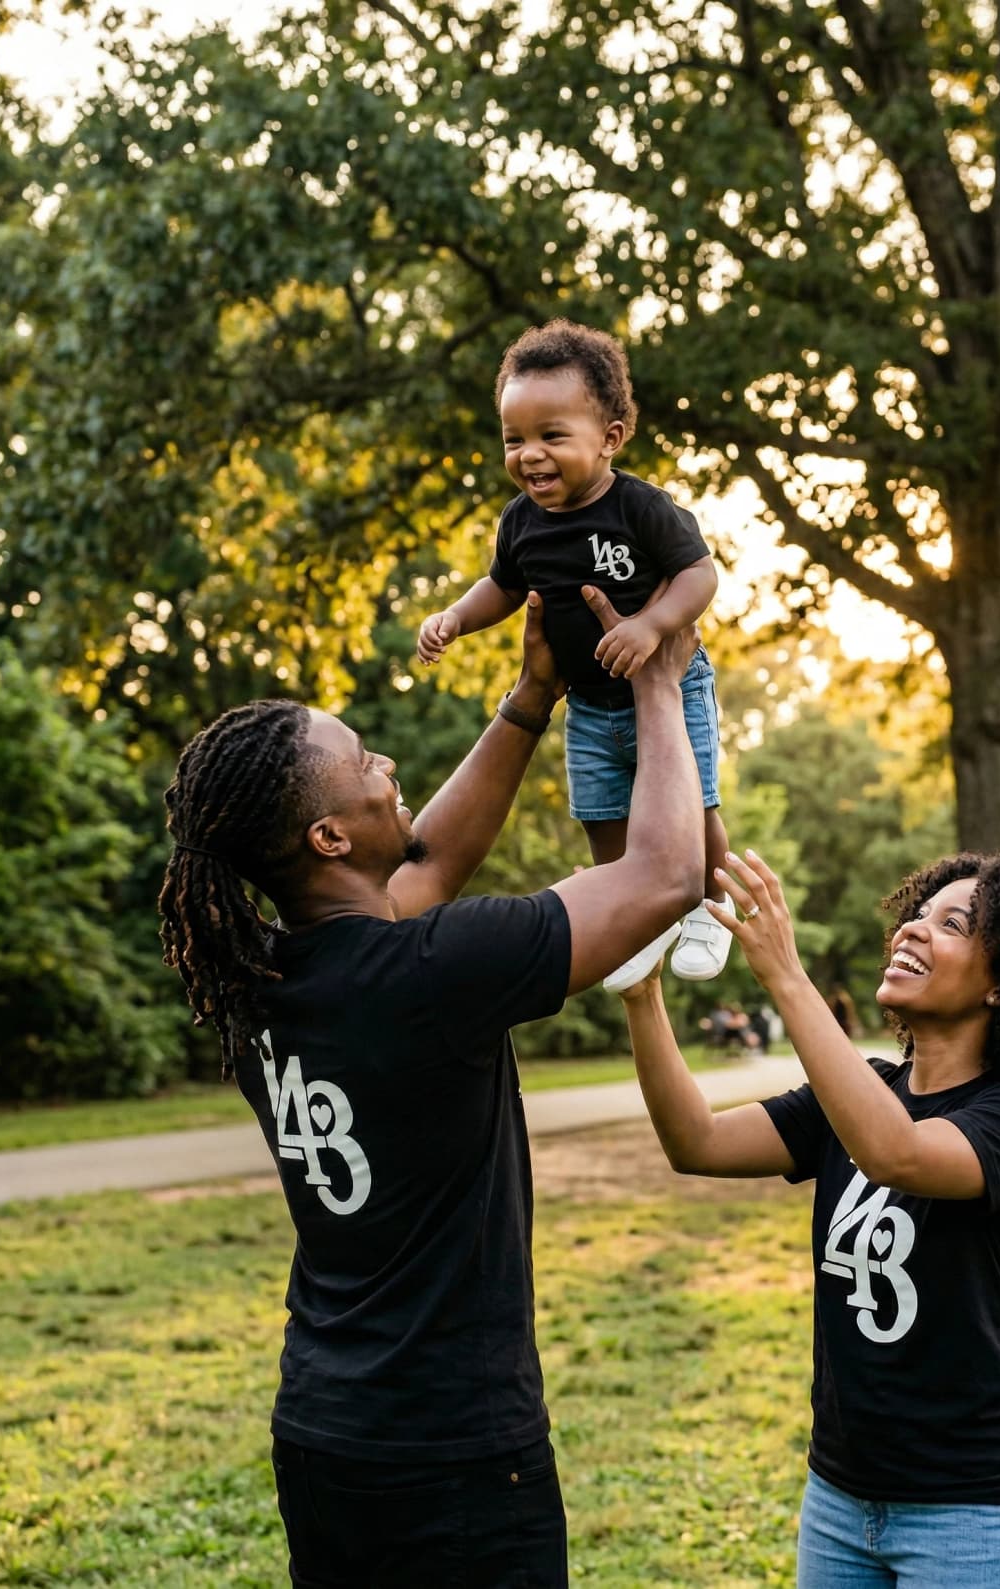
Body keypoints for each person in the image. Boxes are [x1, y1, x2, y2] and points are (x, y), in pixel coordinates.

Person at [158, 592, 705, 1588]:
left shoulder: (260, 981)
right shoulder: (433, 971)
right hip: (452, 1446)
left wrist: (530, 697)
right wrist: (662, 687)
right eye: (363, 760)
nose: (387, 766)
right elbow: (665, 872)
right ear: (327, 837)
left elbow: (428, 861)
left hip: (326, 1428)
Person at [616, 845, 1000, 1589]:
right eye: (916, 915)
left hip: (975, 1512)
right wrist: (643, 993)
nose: (913, 931)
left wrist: (787, 977)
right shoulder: (859, 1090)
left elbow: (896, 1152)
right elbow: (695, 1141)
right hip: (839, 1495)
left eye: (954, 923)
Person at [416, 318, 734, 992]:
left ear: (609, 438)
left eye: (551, 436)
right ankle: (633, 920)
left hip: (670, 684)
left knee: (696, 799)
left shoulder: (640, 508)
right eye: (514, 438)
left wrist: (651, 625)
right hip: (588, 701)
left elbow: (700, 575)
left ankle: (713, 902)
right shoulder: (520, 522)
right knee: (599, 812)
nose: (529, 454)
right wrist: (455, 618)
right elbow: (501, 586)